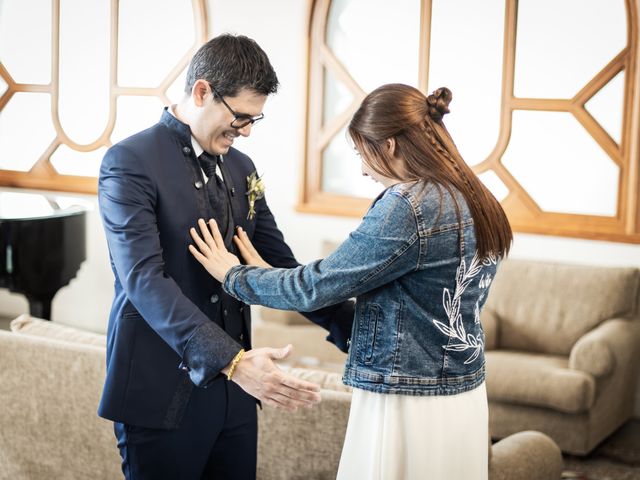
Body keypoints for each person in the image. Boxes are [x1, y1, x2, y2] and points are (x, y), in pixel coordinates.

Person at [189, 83, 513, 479]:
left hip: (406, 398)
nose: (362, 168)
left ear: (389, 145)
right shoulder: (477, 197)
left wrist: (234, 275)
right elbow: (416, 306)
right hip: (464, 393)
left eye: (363, 153)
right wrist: (267, 275)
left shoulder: (408, 205)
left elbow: (316, 285)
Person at [97, 34, 353, 479]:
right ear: (202, 92)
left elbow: (281, 267)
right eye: (240, 117)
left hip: (236, 397)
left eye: (255, 119)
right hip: (161, 390)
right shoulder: (129, 162)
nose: (247, 131)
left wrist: (354, 327)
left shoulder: (241, 168)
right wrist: (230, 361)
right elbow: (143, 280)